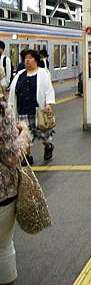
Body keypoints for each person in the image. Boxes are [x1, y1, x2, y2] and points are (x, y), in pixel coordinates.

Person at [0, 100, 30, 285]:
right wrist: (25, 133)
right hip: (2, 193)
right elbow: (11, 156)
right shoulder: (2, 110)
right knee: (3, 246)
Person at [8, 50, 55, 163]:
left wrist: (48, 104)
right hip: (22, 111)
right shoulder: (19, 75)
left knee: (44, 135)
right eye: (25, 58)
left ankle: (48, 146)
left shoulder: (43, 73)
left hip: (37, 111)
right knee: (25, 137)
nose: (27, 60)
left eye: (30, 58)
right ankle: (27, 157)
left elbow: (48, 90)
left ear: (36, 60)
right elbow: (13, 92)